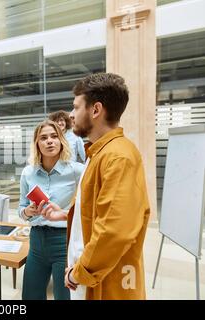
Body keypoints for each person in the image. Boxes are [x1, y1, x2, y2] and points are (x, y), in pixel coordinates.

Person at [65, 73, 150, 300]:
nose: (71, 115)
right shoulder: (98, 152)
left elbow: (113, 231)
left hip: (105, 284)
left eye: (76, 107)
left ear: (95, 110)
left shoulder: (119, 157)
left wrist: (78, 272)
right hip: (88, 277)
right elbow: (93, 213)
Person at [19, 120, 84, 300]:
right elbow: (21, 209)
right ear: (37, 144)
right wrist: (28, 212)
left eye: (54, 136)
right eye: (44, 138)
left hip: (63, 242)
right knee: (30, 297)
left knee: (64, 296)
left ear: (61, 141)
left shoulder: (77, 171)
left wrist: (65, 215)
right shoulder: (28, 173)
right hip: (36, 241)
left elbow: (86, 208)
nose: (49, 141)